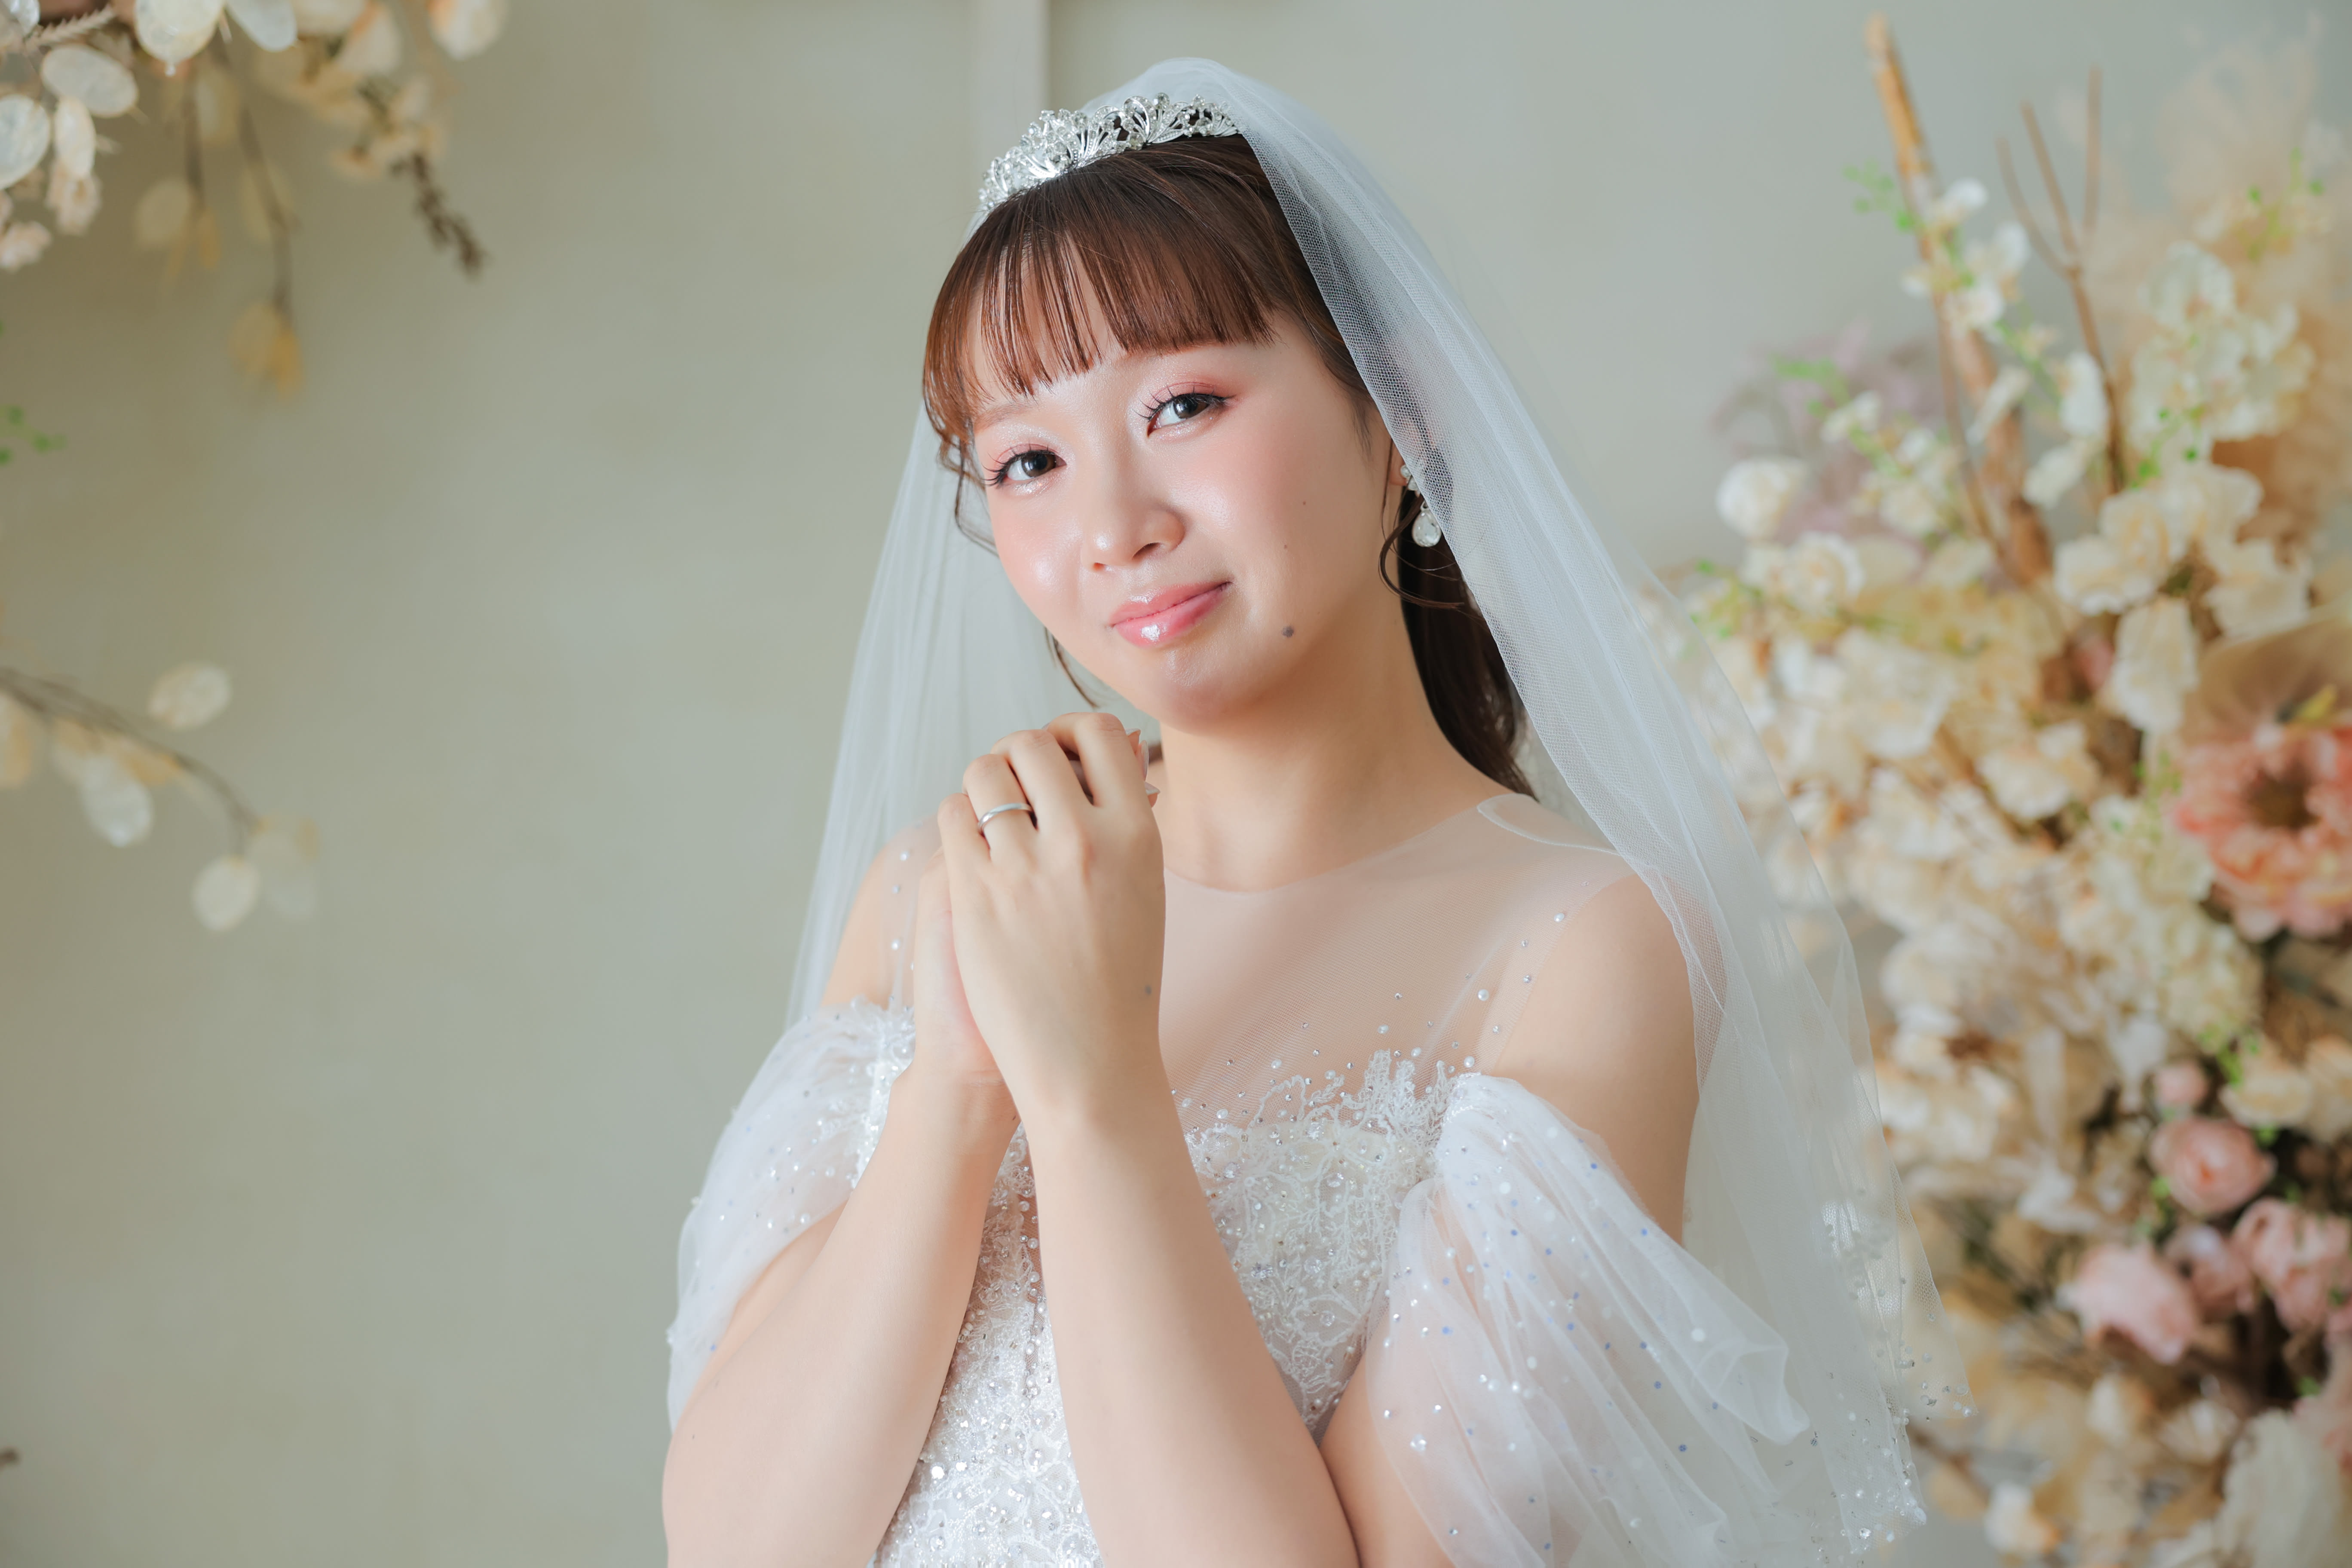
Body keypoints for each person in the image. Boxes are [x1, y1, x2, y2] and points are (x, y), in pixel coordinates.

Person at [661, 60, 1968, 1568]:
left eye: (1186, 405)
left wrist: (1092, 1095)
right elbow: (734, 1547)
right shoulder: (943, 895)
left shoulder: (1583, 945)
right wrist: (959, 1088)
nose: (1115, 527)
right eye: (1029, 461)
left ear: (1399, 412)